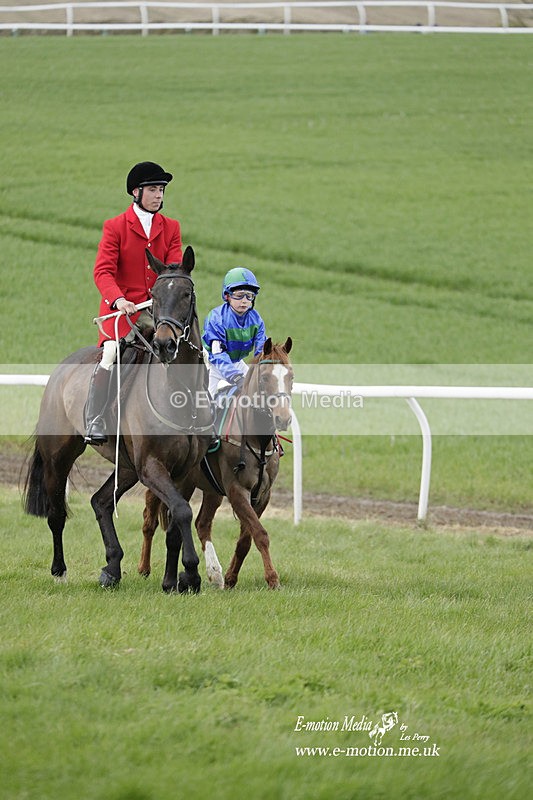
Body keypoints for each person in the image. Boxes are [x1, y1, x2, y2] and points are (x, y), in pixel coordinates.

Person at [85, 161, 182, 444]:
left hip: (157, 311)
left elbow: (173, 266)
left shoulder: (171, 227)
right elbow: (102, 271)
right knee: (111, 355)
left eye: (162, 190)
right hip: (121, 312)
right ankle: (96, 416)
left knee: (185, 348)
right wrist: (119, 299)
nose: (159, 195)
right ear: (136, 192)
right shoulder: (115, 227)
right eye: (153, 189)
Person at [202, 267, 267, 401]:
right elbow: (218, 355)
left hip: (236, 363)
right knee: (203, 403)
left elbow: (261, 352)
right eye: (239, 295)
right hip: (212, 365)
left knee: (259, 393)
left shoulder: (257, 320)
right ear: (227, 296)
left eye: (249, 296)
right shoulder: (216, 318)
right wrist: (236, 377)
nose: (244, 301)